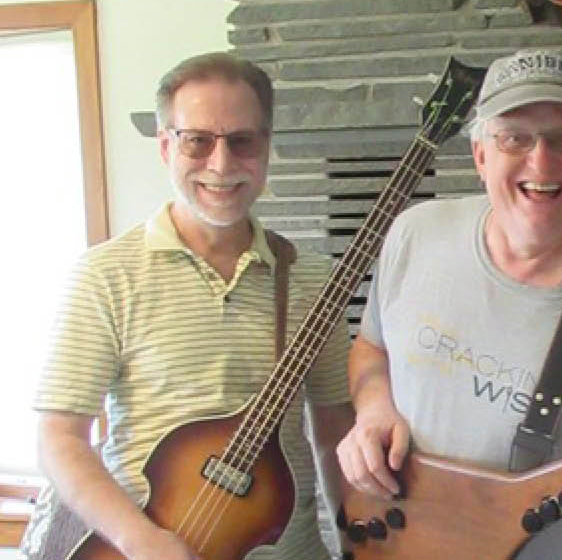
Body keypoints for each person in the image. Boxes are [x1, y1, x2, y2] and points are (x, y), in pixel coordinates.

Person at [335, 49, 562, 559]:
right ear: (481, 155)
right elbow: (371, 349)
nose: (540, 161)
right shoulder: (413, 235)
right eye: (515, 138)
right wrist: (372, 413)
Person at [19, 52, 354, 560]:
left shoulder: (313, 278)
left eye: (241, 141)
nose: (221, 165)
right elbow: (60, 438)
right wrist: (143, 542)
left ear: (266, 147)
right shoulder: (104, 276)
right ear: (164, 146)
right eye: (198, 140)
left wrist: (354, 541)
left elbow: (335, 432)